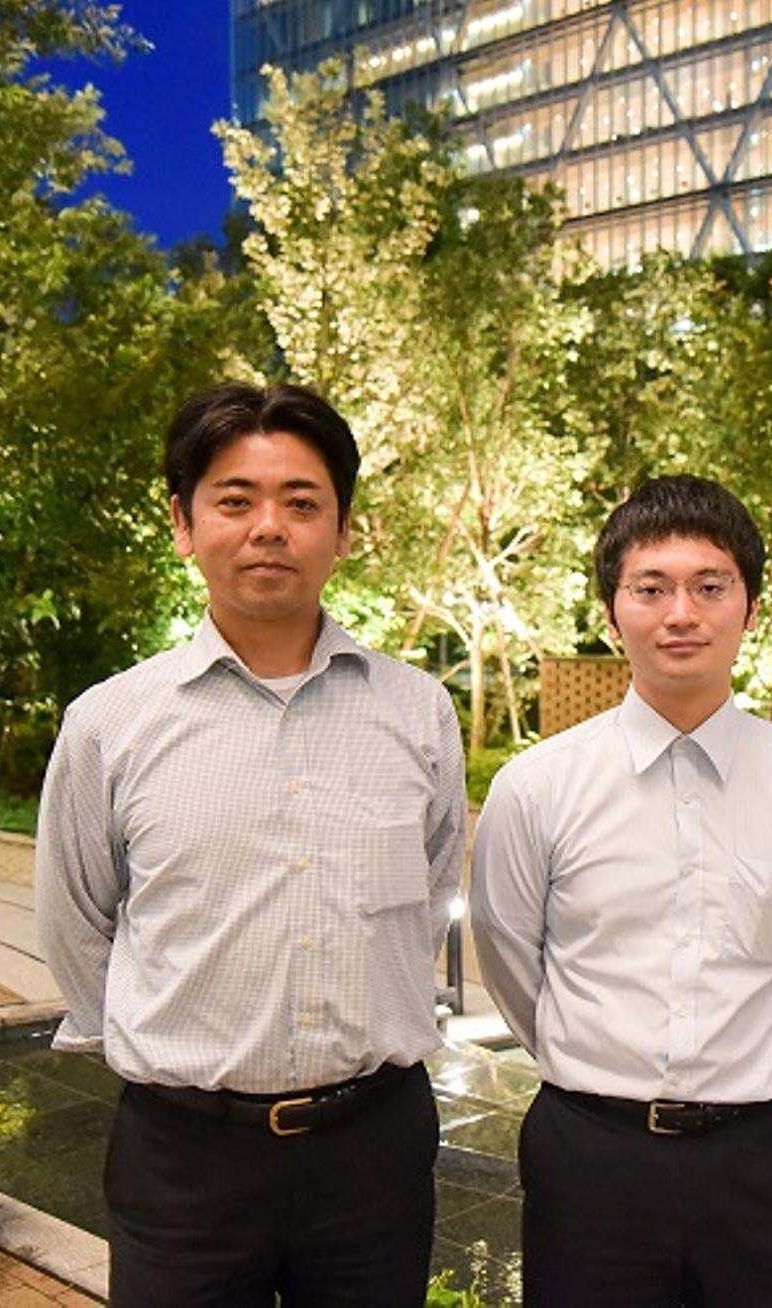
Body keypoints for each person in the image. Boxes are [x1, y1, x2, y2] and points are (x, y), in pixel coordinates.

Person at [34, 382, 465, 1306]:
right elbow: (75, 923)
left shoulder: (419, 713)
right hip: (183, 1161)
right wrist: (174, 1055)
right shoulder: (110, 722)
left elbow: (428, 898)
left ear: (343, 532)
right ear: (183, 525)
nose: (269, 527)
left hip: (374, 1153)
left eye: (302, 503)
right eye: (235, 500)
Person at [470, 475, 772, 1307]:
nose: (680, 614)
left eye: (710, 587)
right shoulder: (537, 787)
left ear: (750, 607)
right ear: (611, 611)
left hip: (761, 1159)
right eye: (651, 589)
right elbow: (512, 960)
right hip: (592, 1160)